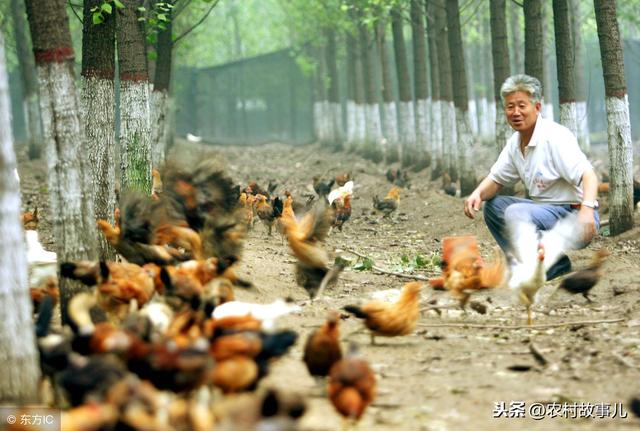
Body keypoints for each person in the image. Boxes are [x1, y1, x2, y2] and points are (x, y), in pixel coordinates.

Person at [463, 74, 599, 280]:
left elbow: (588, 175)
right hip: (544, 212)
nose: (515, 112)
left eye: (521, 105)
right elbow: (497, 179)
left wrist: (587, 211)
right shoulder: (516, 143)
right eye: (510, 107)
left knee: (516, 213)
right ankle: (528, 262)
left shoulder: (555, 137)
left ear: (537, 107)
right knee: (492, 206)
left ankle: (547, 265)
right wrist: (477, 194)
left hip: (575, 217)